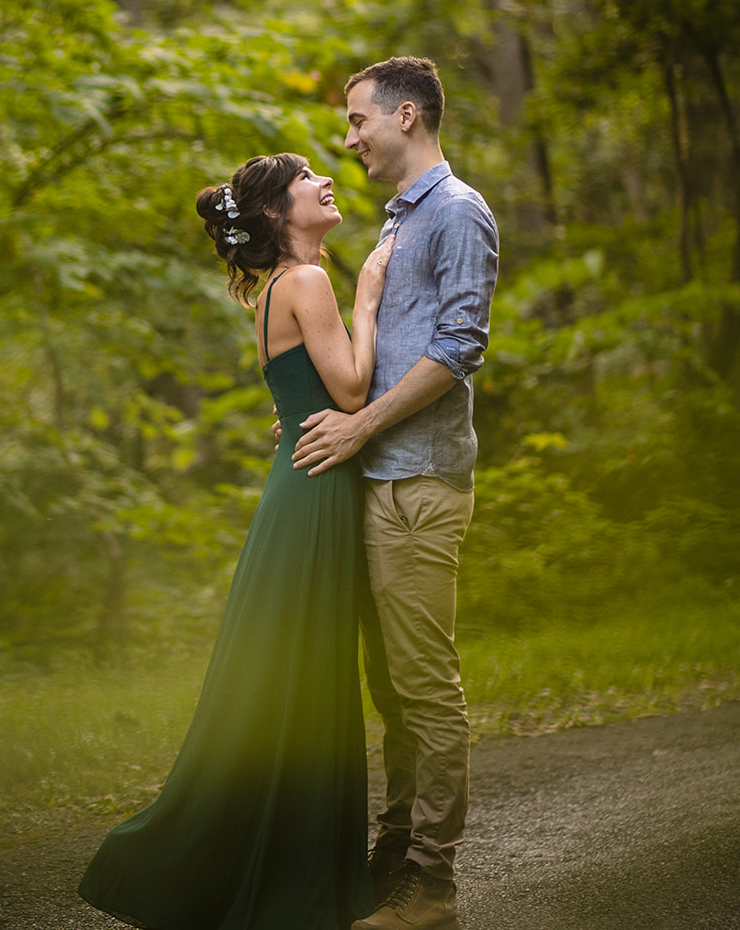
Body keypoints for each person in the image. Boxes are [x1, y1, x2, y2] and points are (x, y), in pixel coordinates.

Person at [78, 153, 393, 930]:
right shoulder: (311, 281)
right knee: (305, 679)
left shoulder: (276, 292)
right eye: (307, 176)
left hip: (297, 491)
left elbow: (306, 394)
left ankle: (282, 869)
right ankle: (270, 875)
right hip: (314, 495)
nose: (326, 178)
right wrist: (370, 294)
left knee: (293, 681)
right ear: (280, 214)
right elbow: (352, 391)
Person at [292, 57, 498, 930]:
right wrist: (318, 417)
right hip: (376, 478)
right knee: (389, 686)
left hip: (419, 481)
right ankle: (392, 854)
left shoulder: (456, 212)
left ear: (405, 115)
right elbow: (377, 354)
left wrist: (364, 424)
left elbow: (457, 350)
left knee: (423, 685)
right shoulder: (395, 224)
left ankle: (432, 882)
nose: (349, 140)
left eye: (356, 121)